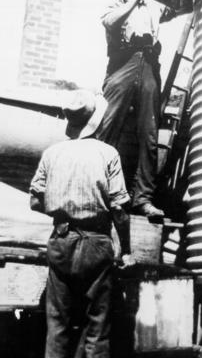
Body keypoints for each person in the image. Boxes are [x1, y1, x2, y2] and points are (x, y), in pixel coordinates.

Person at [29, 89, 135, 358]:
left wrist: (64, 209)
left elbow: (35, 201)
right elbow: (119, 208)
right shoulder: (107, 154)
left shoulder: (52, 154)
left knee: (58, 325)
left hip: (61, 242)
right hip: (96, 244)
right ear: (96, 120)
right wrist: (127, 249)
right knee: (97, 326)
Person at [99, 0, 176, 218]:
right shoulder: (114, 6)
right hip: (122, 65)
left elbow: (177, 7)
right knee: (107, 129)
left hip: (149, 66)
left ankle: (143, 198)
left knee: (149, 134)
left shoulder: (152, 7)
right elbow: (112, 22)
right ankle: (102, 193)